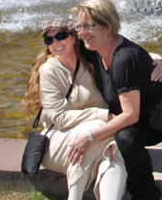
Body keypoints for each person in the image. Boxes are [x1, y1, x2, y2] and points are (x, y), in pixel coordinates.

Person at [69, 0, 162, 200]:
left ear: (108, 24)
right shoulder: (95, 48)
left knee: (126, 138)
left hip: (154, 121)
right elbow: (58, 44)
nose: (82, 33)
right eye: (79, 27)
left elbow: (131, 116)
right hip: (128, 116)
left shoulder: (123, 59)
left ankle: (147, 195)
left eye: (89, 25)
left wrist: (89, 138)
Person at [23, 18, 127, 200]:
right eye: (49, 40)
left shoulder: (89, 61)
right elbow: (60, 118)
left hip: (95, 137)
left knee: (110, 155)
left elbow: (130, 54)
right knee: (100, 134)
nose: (55, 43)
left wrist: (160, 62)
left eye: (60, 36)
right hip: (58, 141)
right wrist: (102, 115)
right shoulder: (49, 71)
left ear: (73, 38)